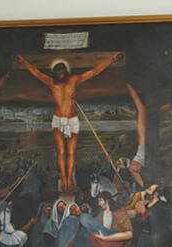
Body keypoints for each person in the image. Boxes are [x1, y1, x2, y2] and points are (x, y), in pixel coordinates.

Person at [14, 53, 123, 192]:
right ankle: (64, 179)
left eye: (61, 73)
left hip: (72, 119)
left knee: (71, 153)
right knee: (61, 152)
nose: (60, 76)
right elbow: (36, 73)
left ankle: (69, 179)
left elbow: (94, 71)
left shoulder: (74, 80)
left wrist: (112, 59)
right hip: (58, 119)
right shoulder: (51, 82)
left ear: (65, 72)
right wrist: (23, 61)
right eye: (57, 74)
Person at [126, 83, 146, 189]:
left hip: (143, 149)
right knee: (133, 169)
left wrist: (128, 84)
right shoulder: (145, 113)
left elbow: (135, 97)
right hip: (143, 148)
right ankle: (145, 187)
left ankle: (145, 187)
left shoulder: (142, 111)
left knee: (132, 169)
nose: (133, 113)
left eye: (133, 110)